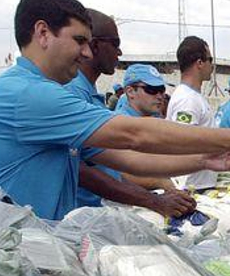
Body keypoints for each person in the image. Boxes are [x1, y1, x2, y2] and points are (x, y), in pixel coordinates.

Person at [0, 0, 230, 221]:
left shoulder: (43, 94)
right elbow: (134, 135)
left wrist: (203, 160)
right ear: (43, 33)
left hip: (21, 249)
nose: (85, 53)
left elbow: (126, 158)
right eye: (78, 41)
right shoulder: (27, 94)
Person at [65, 10, 195, 216]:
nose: (119, 52)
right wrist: (155, 199)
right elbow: (80, 170)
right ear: (95, 45)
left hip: (98, 212)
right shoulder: (71, 94)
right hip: (77, 214)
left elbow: (116, 166)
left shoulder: (88, 95)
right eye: (115, 44)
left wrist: (204, 158)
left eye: (161, 90)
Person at [166, 35, 219, 191]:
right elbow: (183, 145)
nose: (213, 66)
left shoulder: (194, 97)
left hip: (200, 184)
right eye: (211, 60)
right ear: (200, 63)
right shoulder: (187, 100)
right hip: (192, 186)